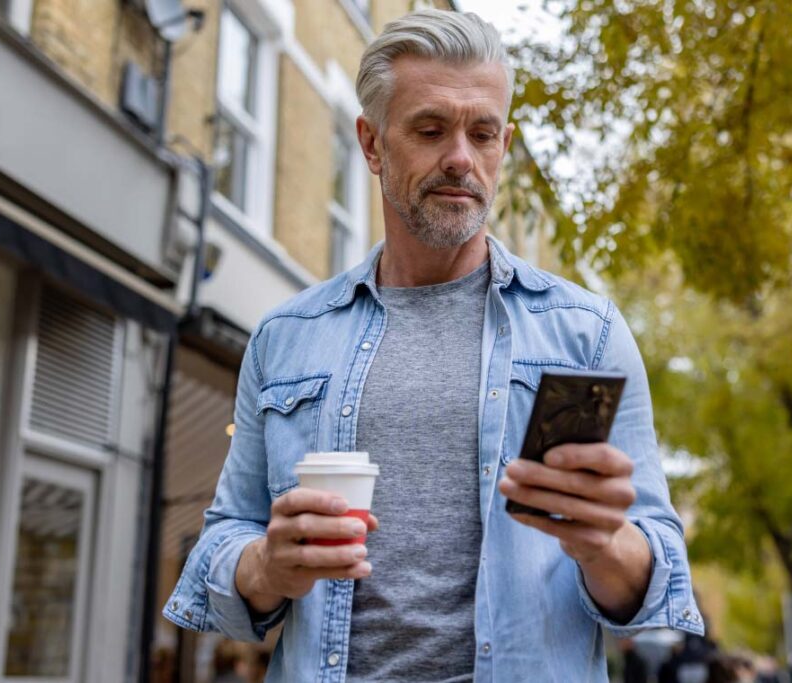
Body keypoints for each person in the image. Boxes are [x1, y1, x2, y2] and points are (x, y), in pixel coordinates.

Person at [163, 9, 702, 682]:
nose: (460, 157)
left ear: (504, 143)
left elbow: (655, 579)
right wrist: (267, 565)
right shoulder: (287, 338)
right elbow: (221, 541)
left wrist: (603, 543)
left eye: (483, 133)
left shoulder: (581, 334)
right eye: (430, 128)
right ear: (371, 143)